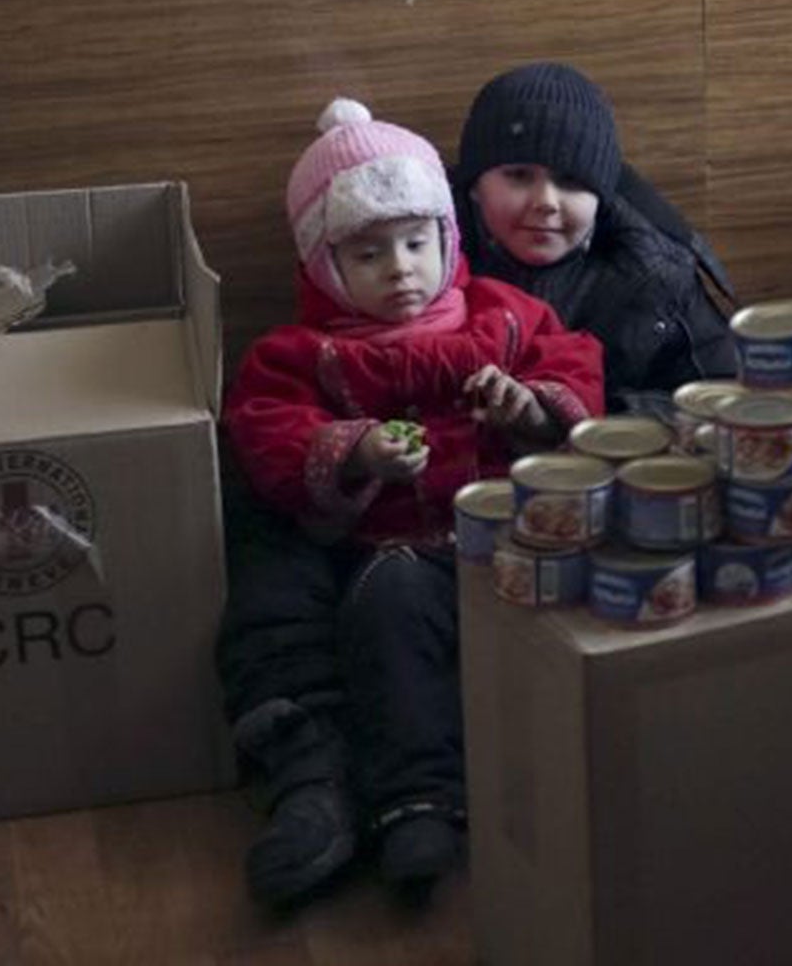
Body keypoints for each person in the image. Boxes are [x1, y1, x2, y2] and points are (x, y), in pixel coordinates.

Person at [217, 98, 603, 907]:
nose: (400, 268)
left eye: (417, 243)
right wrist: (354, 451)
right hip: (391, 559)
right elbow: (267, 431)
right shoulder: (303, 355)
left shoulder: (503, 316)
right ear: (324, 265)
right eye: (368, 252)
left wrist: (529, 407)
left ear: (449, 239)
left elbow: (576, 369)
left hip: (508, 536)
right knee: (385, 611)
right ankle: (413, 802)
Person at [453, 62, 738, 402]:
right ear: (473, 185)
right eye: (518, 175)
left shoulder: (653, 269)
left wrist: (574, 417)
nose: (546, 202)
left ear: (601, 197)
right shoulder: (417, 251)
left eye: (571, 181)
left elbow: (719, 393)